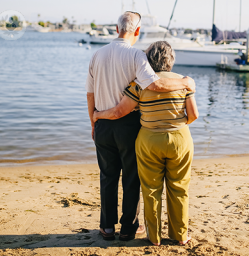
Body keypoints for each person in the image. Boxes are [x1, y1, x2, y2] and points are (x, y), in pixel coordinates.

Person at [86, 12, 196, 241]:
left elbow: (90, 94)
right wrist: (185, 83)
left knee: (107, 176)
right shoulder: (137, 55)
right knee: (131, 177)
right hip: (128, 125)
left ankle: (106, 228)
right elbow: (155, 83)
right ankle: (128, 228)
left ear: (117, 29)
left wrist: (93, 121)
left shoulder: (97, 54)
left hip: (103, 123)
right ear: (136, 31)